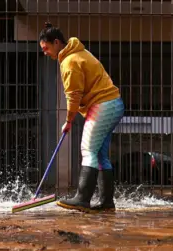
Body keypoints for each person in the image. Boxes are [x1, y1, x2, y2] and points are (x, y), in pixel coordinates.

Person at [39, 23, 124, 213]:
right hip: (112, 104)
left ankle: (82, 198)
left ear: (56, 42)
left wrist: (68, 121)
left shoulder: (69, 62)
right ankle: (106, 203)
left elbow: (73, 96)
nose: (45, 53)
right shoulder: (79, 53)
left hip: (103, 104)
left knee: (88, 149)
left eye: (46, 48)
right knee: (100, 155)